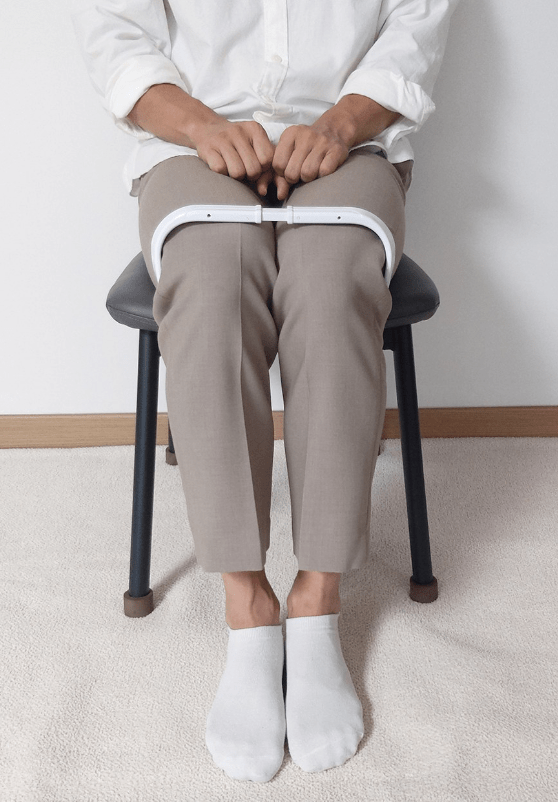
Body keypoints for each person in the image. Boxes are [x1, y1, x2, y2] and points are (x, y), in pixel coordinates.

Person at [71, 0, 459, 783]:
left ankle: (317, 599)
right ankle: (247, 602)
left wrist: (341, 124)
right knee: (213, 286)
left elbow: (415, 22)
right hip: (191, 143)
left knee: (330, 284)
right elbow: (114, 31)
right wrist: (203, 126)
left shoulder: (349, 129)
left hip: (351, 140)